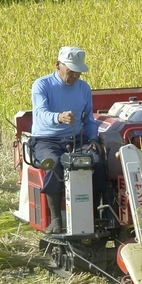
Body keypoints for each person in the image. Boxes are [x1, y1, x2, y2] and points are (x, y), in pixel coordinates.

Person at [30, 46, 109, 234]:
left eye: (78, 72)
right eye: (71, 71)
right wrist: (58, 117)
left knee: (96, 162)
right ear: (58, 65)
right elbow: (40, 113)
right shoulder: (42, 85)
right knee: (55, 164)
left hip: (75, 139)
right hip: (46, 140)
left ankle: (93, 215)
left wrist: (93, 138)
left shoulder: (84, 88)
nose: (75, 76)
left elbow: (88, 119)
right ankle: (56, 219)